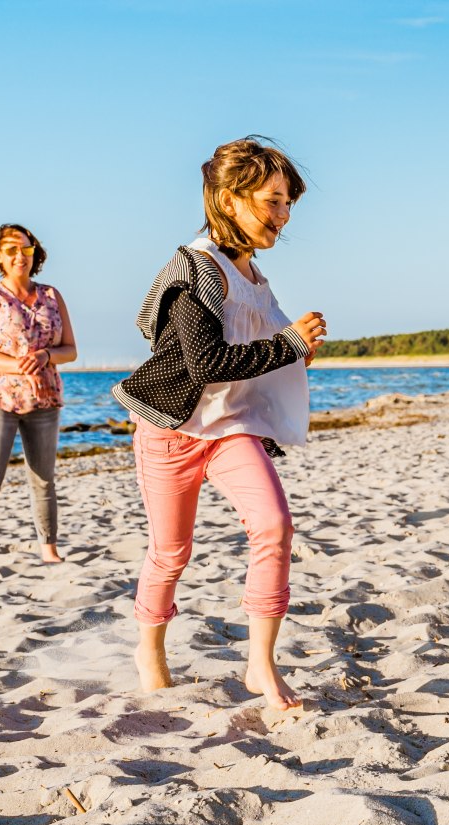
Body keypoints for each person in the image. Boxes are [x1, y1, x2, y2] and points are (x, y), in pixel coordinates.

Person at [112, 138, 327, 710]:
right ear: (230, 199)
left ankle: (260, 665)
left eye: (287, 206)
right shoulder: (195, 272)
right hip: (172, 428)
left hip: (231, 428)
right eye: (273, 201)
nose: (283, 217)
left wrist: (295, 352)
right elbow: (207, 363)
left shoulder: (254, 276)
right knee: (171, 552)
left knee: (275, 526)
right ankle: (150, 651)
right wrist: (287, 343)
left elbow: (259, 349)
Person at [0, 223, 78, 577]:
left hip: (45, 400)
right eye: (11, 250)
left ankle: (49, 548)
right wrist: (21, 367)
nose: (19, 256)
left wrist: (44, 358)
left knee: (43, 478)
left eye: (25, 250)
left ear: (34, 253)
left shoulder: (52, 295)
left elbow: (70, 350)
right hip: (0, 398)